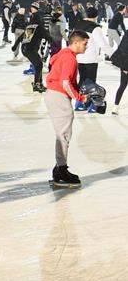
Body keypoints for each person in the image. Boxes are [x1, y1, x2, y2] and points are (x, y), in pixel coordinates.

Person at [44, 30, 88, 186]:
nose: (86, 46)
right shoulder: (70, 58)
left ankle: (59, 169)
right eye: (85, 43)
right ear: (76, 42)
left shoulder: (63, 53)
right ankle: (62, 170)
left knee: (62, 134)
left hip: (53, 94)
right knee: (64, 134)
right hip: (59, 96)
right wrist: (80, 97)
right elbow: (65, 82)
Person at [74, 7, 110, 85]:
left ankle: (79, 97)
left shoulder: (78, 25)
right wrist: (115, 56)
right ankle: (88, 97)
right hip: (91, 59)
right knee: (90, 83)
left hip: (79, 57)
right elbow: (103, 44)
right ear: (96, 16)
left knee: (82, 80)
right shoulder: (95, 28)